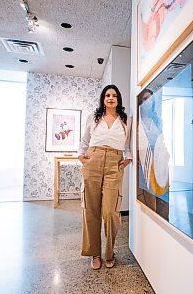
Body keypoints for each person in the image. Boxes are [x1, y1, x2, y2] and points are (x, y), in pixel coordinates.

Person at [78, 84, 132, 270]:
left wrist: (128, 159)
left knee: (110, 211)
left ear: (118, 100)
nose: (110, 98)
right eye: (107, 95)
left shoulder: (126, 120)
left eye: (114, 95)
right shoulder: (93, 118)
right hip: (93, 160)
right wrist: (81, 156)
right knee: (91, 209)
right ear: (103, 98)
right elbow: (84, 141)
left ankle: (110, 252)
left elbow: (128, 145)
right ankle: (94, 253)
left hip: (114, 164)